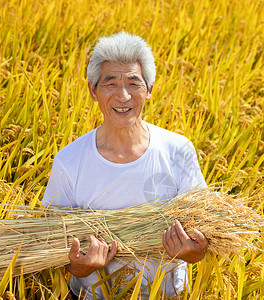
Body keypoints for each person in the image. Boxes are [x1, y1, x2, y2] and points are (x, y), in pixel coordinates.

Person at [41, 32, 208, 299]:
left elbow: (203, 235)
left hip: (166, 295)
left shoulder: (178, 150)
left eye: (134, 83)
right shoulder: (69, 161)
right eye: (110, 84)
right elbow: (52, 244)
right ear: (93, 91)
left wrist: (194, 251)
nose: (123, 95)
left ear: (150, 90)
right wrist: (79, 267)